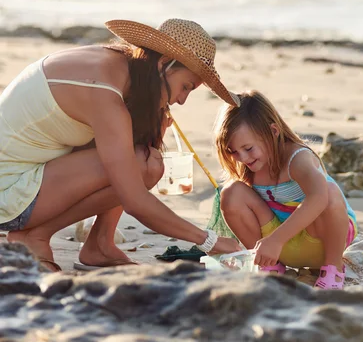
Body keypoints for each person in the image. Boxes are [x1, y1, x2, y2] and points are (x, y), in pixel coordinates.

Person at [0, 18, 242, 271]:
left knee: (142, 150)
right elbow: (134, 199)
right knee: (142, 165)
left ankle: (101, 243)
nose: (182, 100)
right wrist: (209, 241)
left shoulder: (116, 64)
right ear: (163, 65)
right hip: (9, 196)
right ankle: (33, 235)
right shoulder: (104, 93)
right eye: (186, 87)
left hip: (30, 176)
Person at [214, 90, 358, 290]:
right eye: (234, 152)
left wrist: (276, 239)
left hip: (321, 242)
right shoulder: (251, 167)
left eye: (248, 149)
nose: (243, 159)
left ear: (273, 131)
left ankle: (334, 269)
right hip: (279, 246)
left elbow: (319, 198)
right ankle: (268, 266)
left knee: (327, 190)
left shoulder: (297, 159)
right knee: (231, 193)